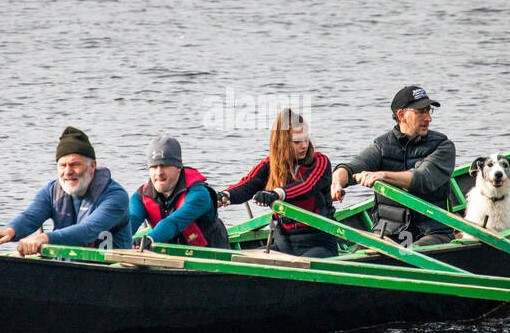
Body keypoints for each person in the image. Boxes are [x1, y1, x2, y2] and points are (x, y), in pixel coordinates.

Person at [330, 85, 456, 246]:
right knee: (359, 253)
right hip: (389, 232)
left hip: (433, 232)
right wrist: (337, 181)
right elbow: (352, 167)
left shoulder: (443, 146)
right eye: (421, 112)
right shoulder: (382, 146)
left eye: (428, 111)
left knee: (413, 254)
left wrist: (382, 175)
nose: (428, 118)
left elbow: (422, 178)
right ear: (402, 115)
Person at [0, 126, 132, 255]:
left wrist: (44, 238)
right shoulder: (51, 192)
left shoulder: (115, 196)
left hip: (109, 271)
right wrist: (10, 231)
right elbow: (30, 216)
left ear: (92, 166)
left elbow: (88, 230)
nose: (68, 172)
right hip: (69, 269)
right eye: (62, 165)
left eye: (74, 164)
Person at [221, 109, 337, 259]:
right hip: (283, 243)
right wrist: (223, 196)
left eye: (306, 139)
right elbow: (248, 185)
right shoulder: (271, 165)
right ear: (282, 143)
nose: (304, 145)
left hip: (319, 242)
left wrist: (275, 194)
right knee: (241, 259)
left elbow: (306, 186)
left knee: (299, 265)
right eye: (297, 141)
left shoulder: (320, 162)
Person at [127, 136, 230, 250]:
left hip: (212, 254)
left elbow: (174, 222)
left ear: (178, 168)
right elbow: (131, 219)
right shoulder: (140, 197)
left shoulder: (199, 194)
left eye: (165, 166)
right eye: (154, 167)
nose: (159, 172)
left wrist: (149, 239)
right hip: (167, 255)